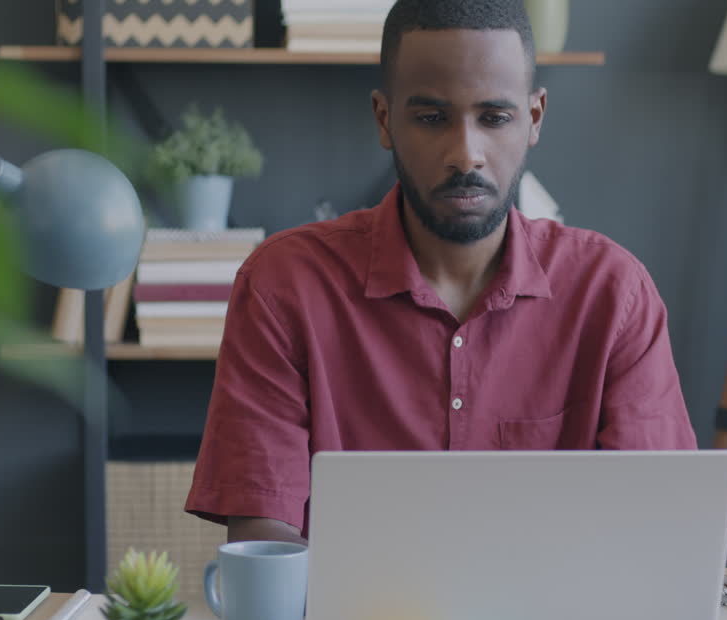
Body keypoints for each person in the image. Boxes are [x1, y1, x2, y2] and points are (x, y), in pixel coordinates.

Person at [186, 0, 696, 545]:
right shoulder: (284, 285)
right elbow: (266, 546)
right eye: (432, 118)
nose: (465, 154)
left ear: (534, 118)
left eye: (494, 118)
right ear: (385, 119)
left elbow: (657, 530)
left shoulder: (613, 294)